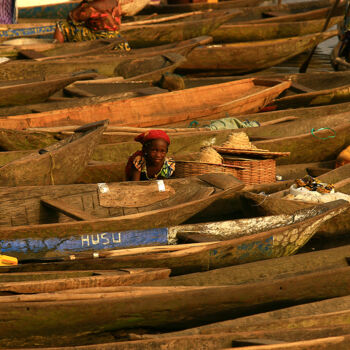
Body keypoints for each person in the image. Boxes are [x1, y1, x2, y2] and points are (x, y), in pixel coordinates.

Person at [54, 0, 130, 50]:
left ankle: (57, 48)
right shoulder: (114, 2)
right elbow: (118, 24)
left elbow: (72, 18)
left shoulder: (90, 5)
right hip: (114, 37)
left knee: (61, 25)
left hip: (95, 37)